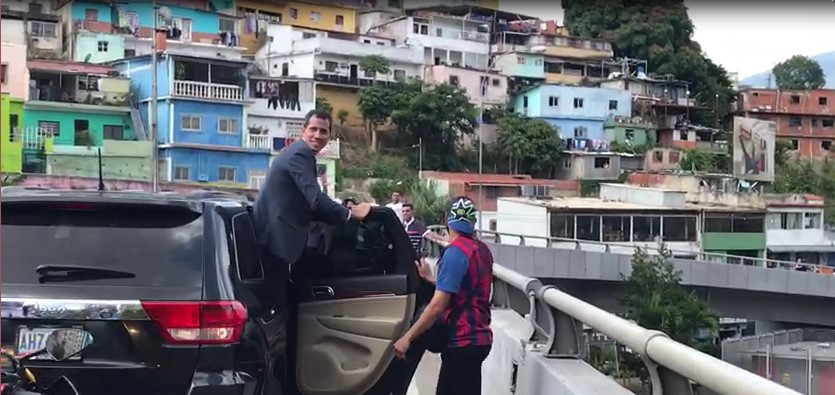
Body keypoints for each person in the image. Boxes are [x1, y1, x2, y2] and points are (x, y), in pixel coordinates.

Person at [393, 196, 494, 395]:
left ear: (447, 220)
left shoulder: (455, 254)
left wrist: (408, 337)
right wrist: (432, 280)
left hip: (462, 340)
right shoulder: (483, 250)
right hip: (479, 337)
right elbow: (468, 289)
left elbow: (438, 305)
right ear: (473, 223)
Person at [253, 109, 371, 266]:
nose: (317, 135)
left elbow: (309, 205)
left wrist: (341, 208)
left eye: (323, 131)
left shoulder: (297, 152)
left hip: (273, 241)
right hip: (276, 243)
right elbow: (315, 199)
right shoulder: (300, 154)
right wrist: (350, 214)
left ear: (329, 137)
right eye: (313, 129)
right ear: (303, 131)